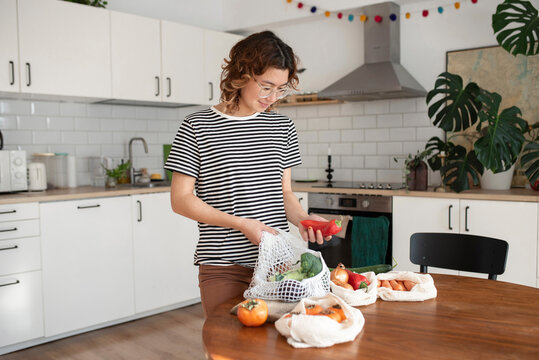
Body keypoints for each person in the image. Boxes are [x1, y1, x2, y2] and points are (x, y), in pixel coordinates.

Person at [165, 30, 331, 317]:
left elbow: (285, 194)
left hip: (278, 267)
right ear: (241, 75)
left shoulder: (282, 128)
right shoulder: (196, 126)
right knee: (226, 346)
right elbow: (180, 199)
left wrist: (304, 218)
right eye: (266, 86)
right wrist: (241, 223)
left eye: (281, 88)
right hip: (223, 266)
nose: (273, 96)